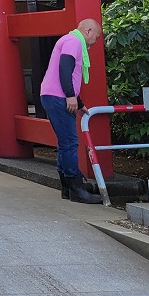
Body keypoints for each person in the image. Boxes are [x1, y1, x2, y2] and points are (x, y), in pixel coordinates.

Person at [39, 18, 103, 204]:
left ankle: (67, 187)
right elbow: (65, 68)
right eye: (97, 36)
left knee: (65, 142)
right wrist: (70, 95)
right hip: (58, 96)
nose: (96, 41)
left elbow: (71, 75)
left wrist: (79, 102)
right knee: (70, 143)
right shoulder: (74, 41)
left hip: (53, 95)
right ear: (88, 31)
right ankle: (76, 188)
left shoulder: (69, 40)